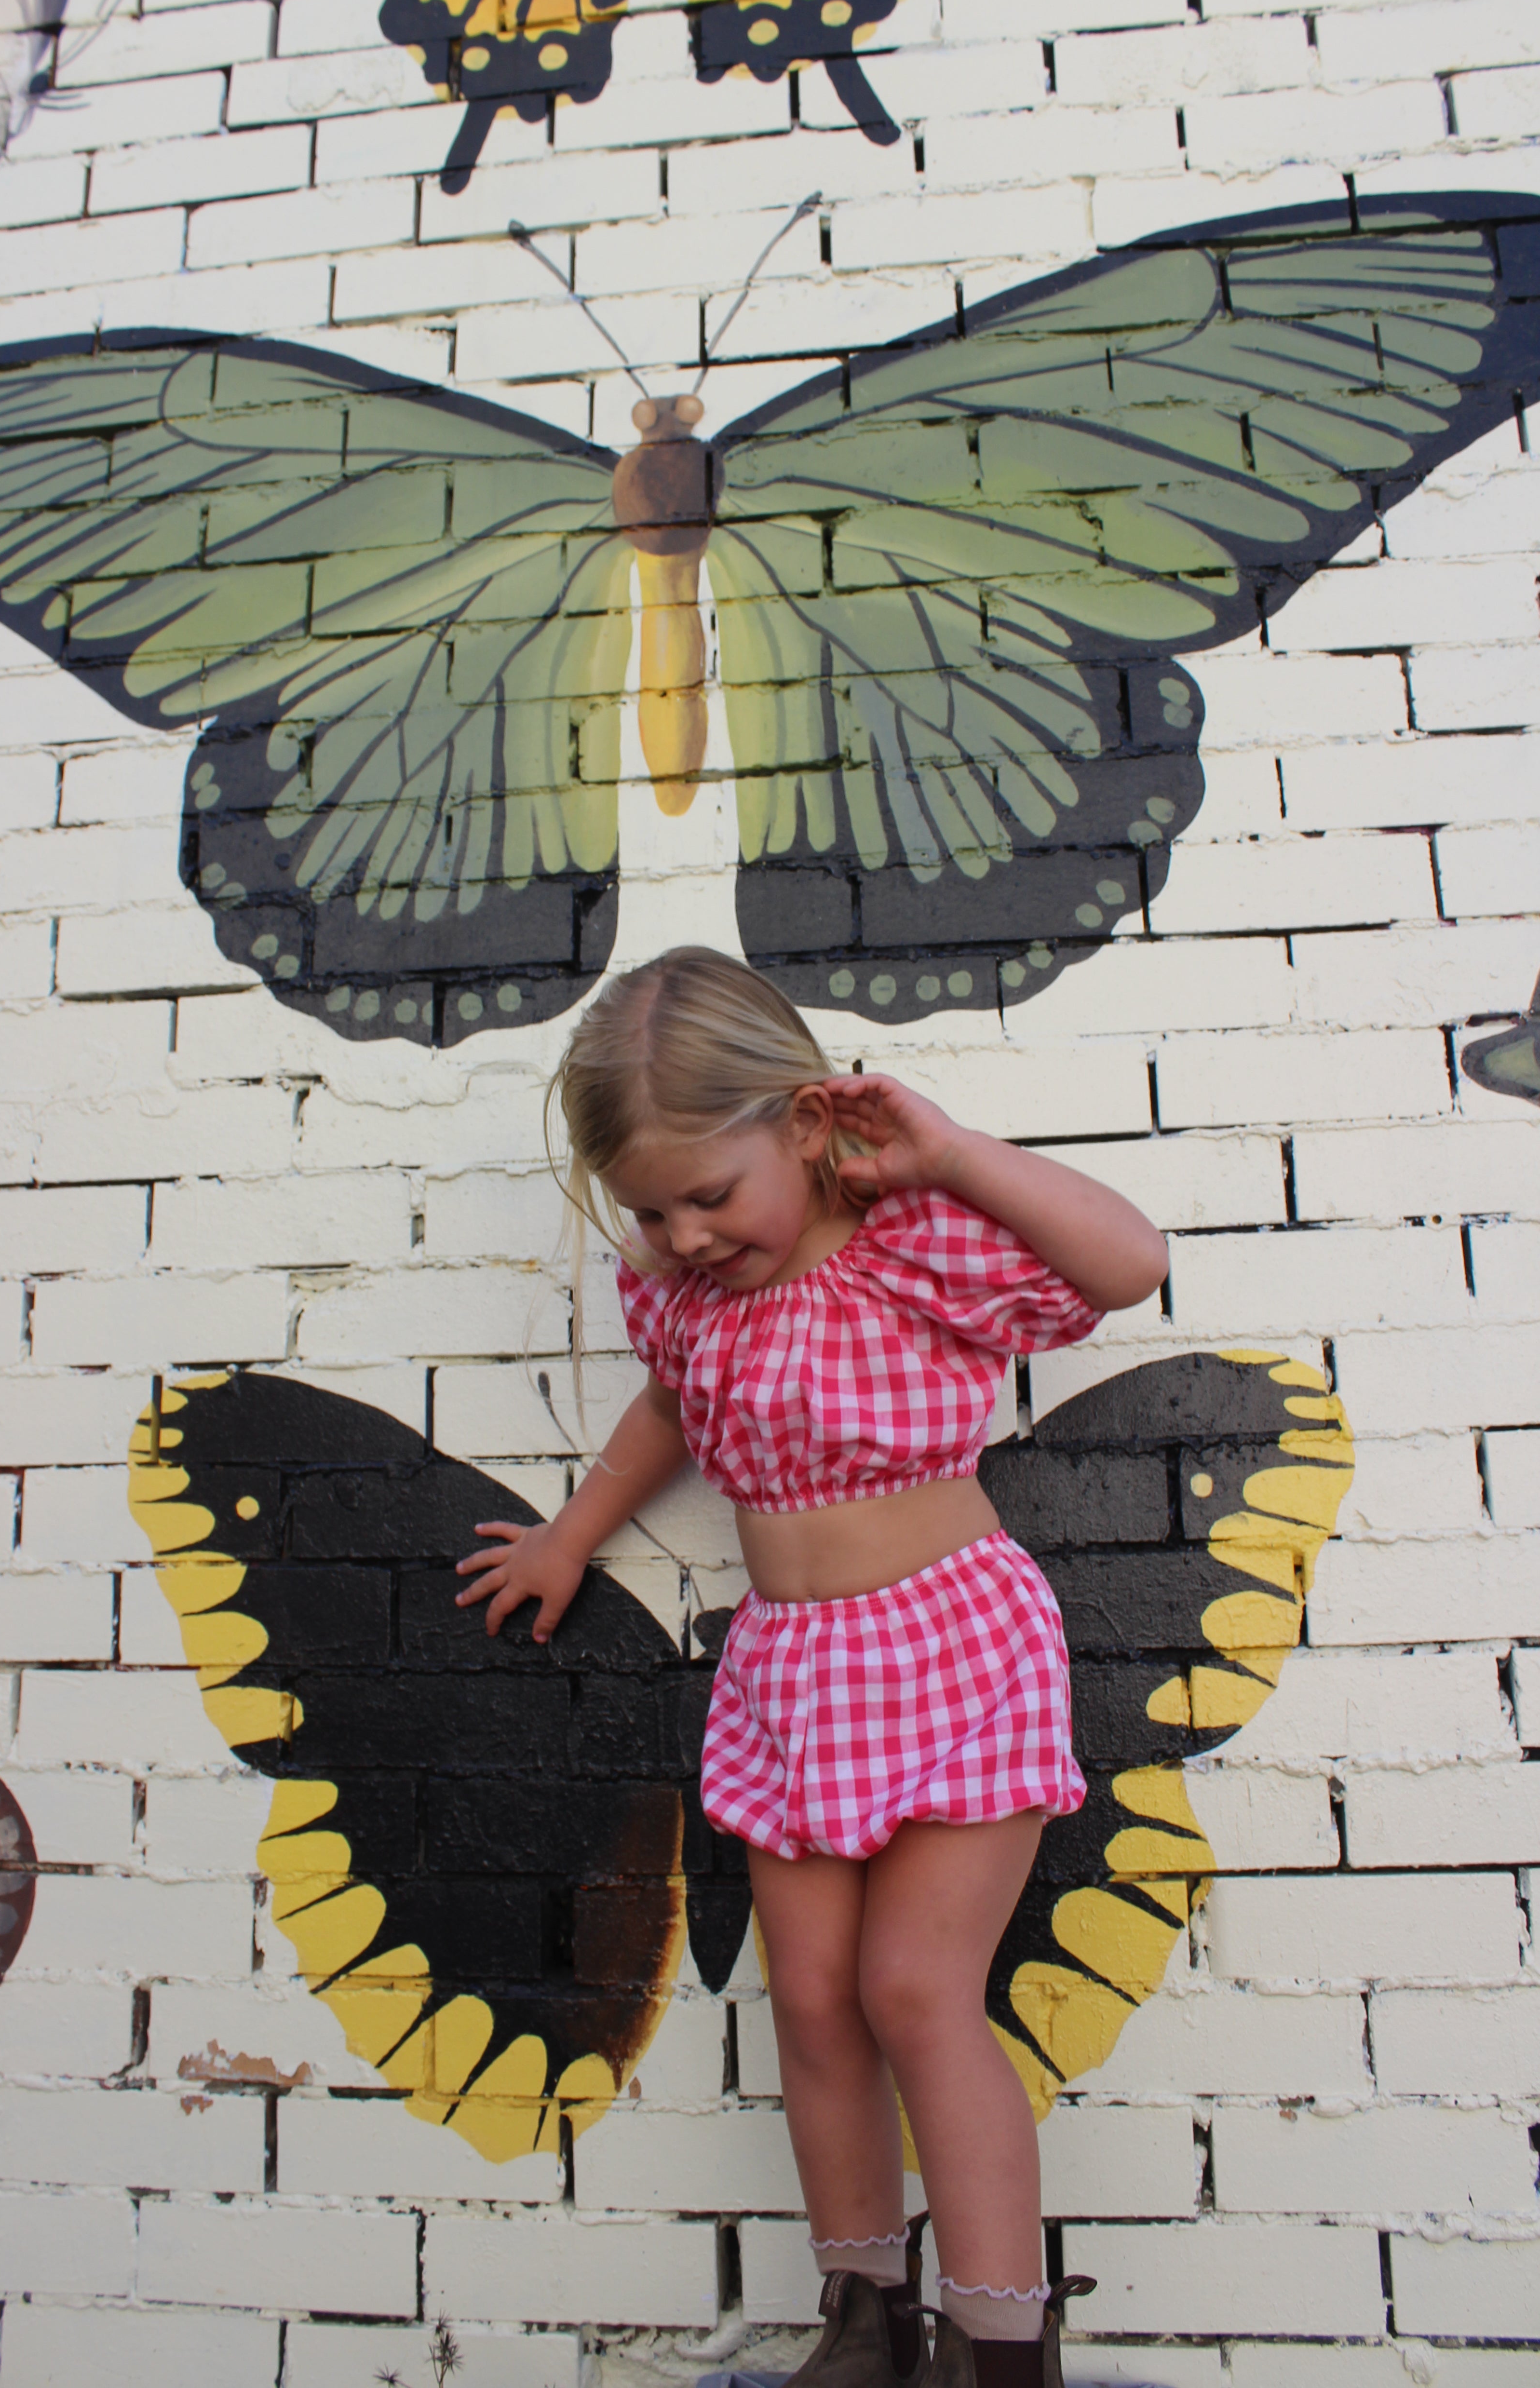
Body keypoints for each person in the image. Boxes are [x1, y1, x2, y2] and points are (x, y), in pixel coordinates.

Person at [456, 949, 1169, 2388]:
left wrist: (956, 1154)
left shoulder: (913, 1239)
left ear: (802, 1123)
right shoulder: (684, 1296)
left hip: (952, 1645)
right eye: (653, 1211)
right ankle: (862, 2315)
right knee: (816, 1999)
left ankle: (998, 2339)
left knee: (918, 1992)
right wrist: (573, 1537)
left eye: (710, 1198)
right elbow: (672, 1407)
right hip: (792, 1677)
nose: (685, 1236)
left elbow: (1127, 1265)